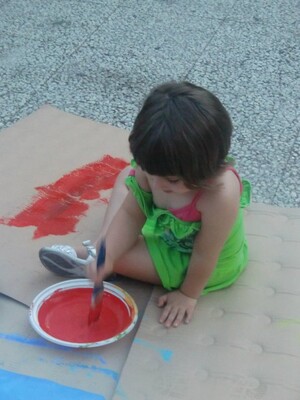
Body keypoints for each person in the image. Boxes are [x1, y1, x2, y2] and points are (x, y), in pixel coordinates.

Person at [39, 81, 251, 328]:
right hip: (168, 230)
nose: (159, 184)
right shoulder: (154, 172)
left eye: (171, 179)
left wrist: (187, 294)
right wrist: (108, 253)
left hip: (196, 265)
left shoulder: (219, 195)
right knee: (125, 178)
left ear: (206, 169)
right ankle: (100, 252)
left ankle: (98, 258)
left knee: (120, 256)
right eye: (151, 173)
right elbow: (130, 214)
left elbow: (205, 255)